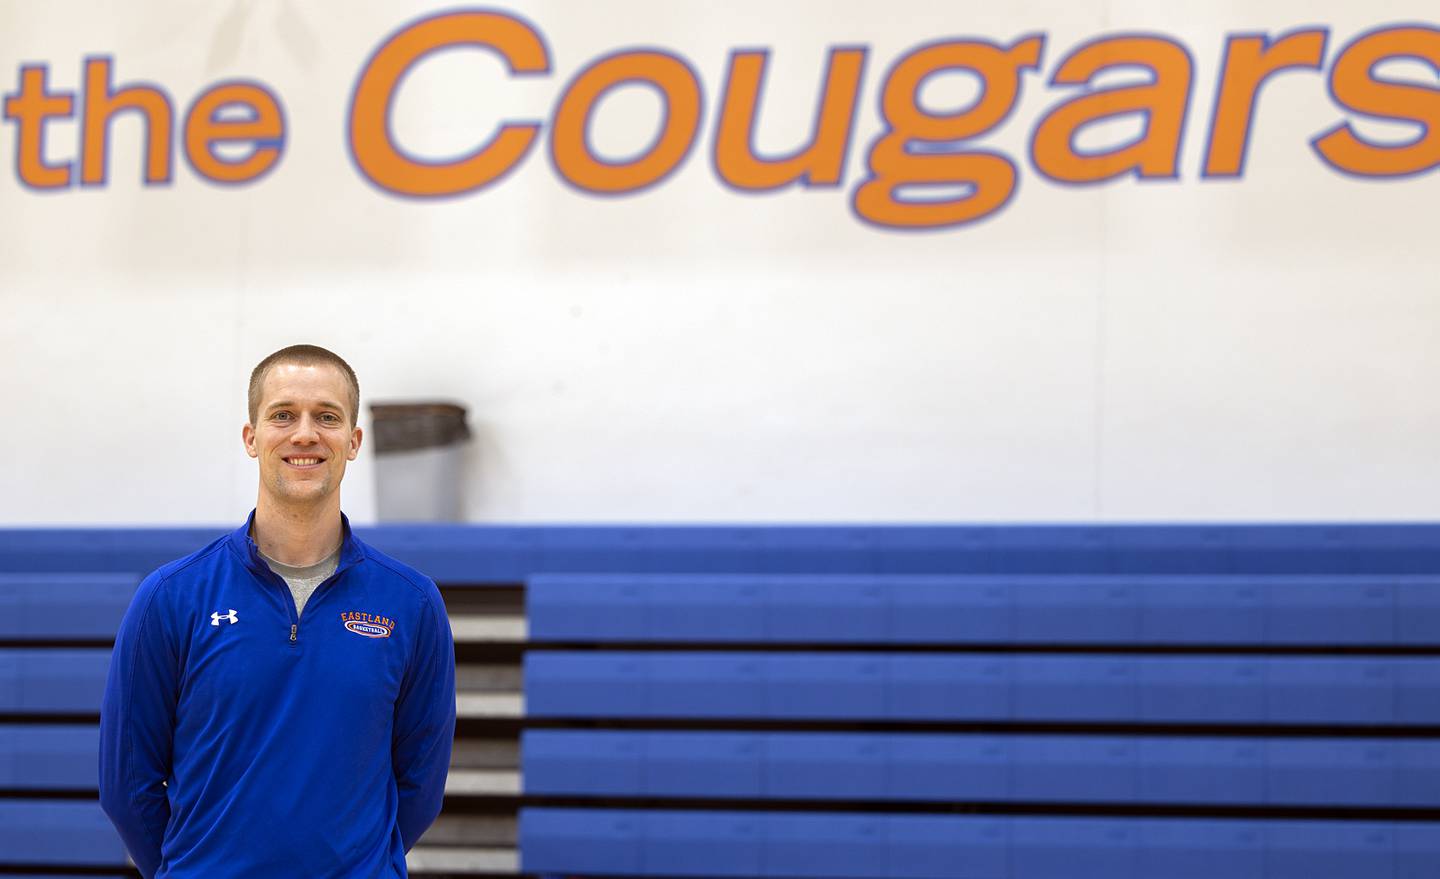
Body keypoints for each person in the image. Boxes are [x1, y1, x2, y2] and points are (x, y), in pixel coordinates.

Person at [99, 344, 456, 878]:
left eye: (327, 417)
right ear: (252, 437)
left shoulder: (412, 603)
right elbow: (127, 786)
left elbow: (422, 785)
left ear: (354, 441)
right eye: (283, 415)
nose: (305, 434)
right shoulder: (170, 597)